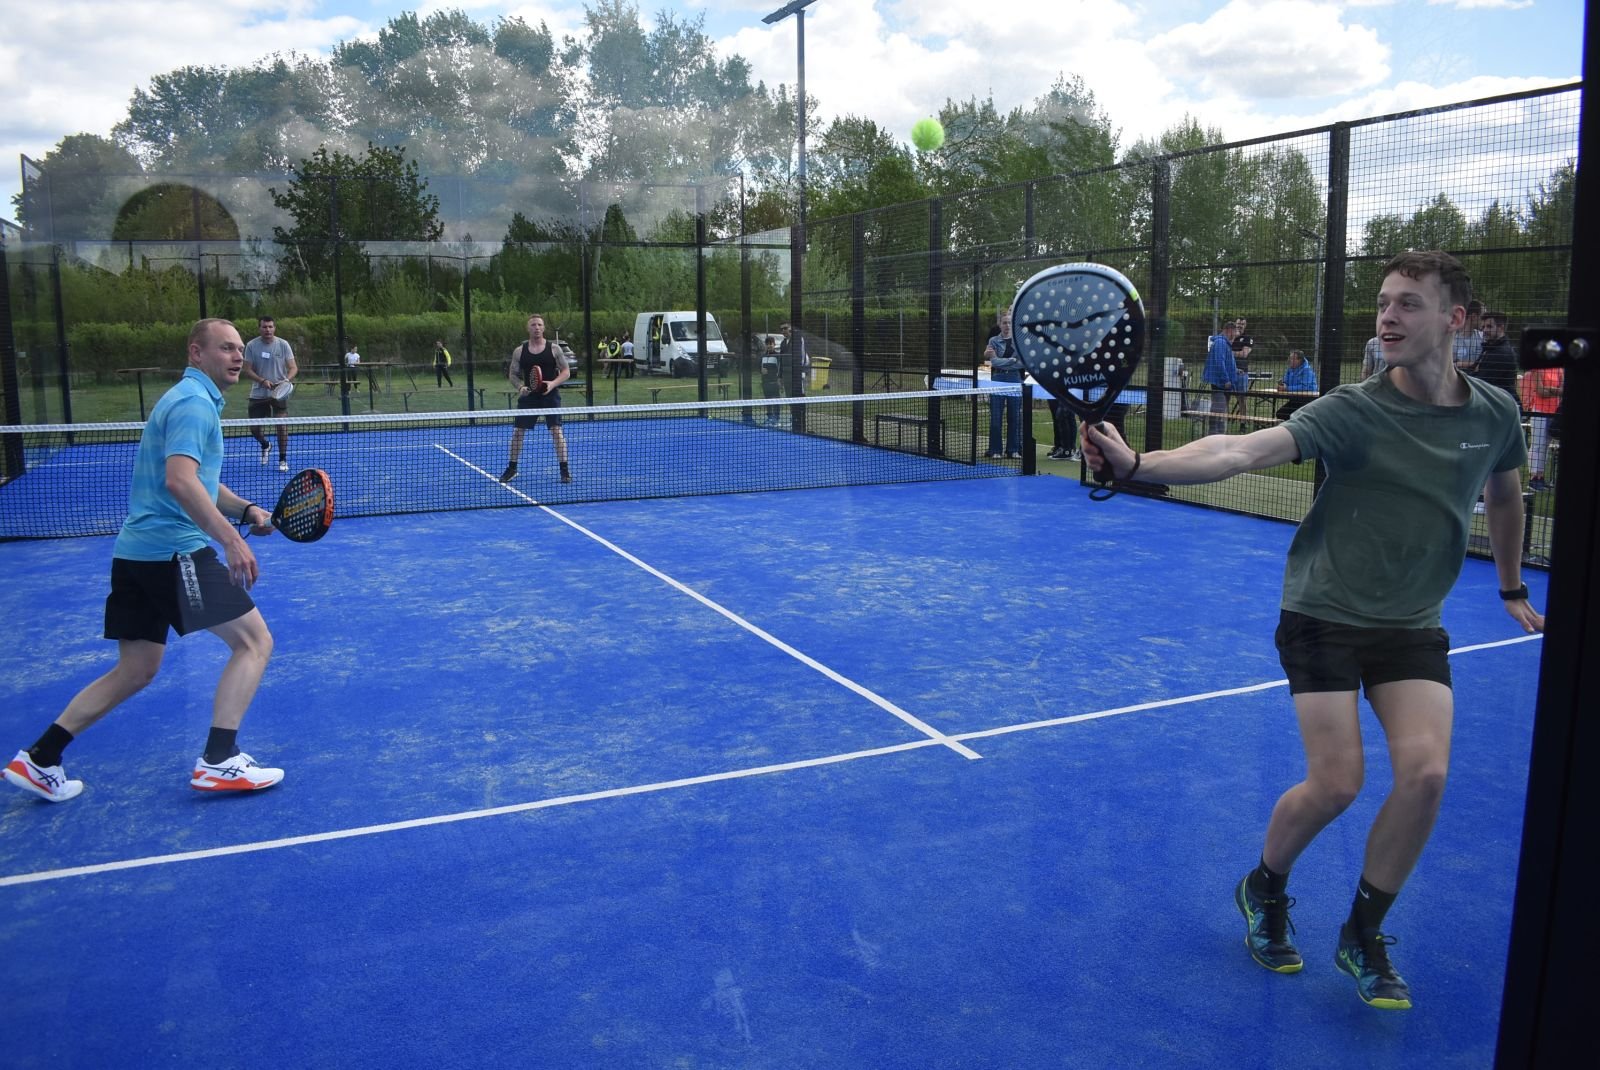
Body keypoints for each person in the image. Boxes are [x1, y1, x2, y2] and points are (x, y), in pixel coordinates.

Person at [1081, 250, 1543, 1011]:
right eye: (1384, 302)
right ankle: (1265, 886)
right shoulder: (1353, 408)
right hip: (1323, 612)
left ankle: (1363, 931)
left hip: (1411, 621)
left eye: (1408, 304)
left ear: (1454, 319)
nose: (1388, 317)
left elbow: (1504, 496)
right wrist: (1137, 464)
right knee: (1337, 784)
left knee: (1426, 775)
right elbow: (1237, 449)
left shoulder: (1493, 412)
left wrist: (1512, 585)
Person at [4, 319, 286, 803]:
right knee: (254, 642)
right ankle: (220, 759)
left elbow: (199, 480)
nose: (238, 356)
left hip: (135, 553)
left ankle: (41, 758)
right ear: (196, 353)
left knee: (136, 669)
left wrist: (246, 510)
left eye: (240, 348)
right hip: (172, 550)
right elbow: (180, 481)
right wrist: (230, 540)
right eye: (225, 348)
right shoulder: (195, 404)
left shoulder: (188, 398)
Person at [500, 313, 571, 484]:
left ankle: (564, 471)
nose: (536, 327)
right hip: (529, 397)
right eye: (533, 325)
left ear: (544, 328)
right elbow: (513, 374)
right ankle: (512, 468)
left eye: (539, 324)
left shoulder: (554, 349)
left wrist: (552, 384)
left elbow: (566, 371)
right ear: (528, 328)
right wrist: (520, 387)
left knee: (556, 431)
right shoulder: (520, 351)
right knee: (518, 432)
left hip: (550, 396)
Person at [243, 315, 296, 473]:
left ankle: (282, 459)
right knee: (254, 429)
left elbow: (293, 367)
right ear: (259, 328)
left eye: (270, 326)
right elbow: (247, 369)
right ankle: (265, 445)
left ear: (274, 328)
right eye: (264, 327)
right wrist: (262, 380)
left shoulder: (283, 344)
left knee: (281, 425)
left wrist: (286, 380)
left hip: (279, 394)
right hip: (258, 393)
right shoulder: (251, 345)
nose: (268, 330)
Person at [983, 308, 1024, 459]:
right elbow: (993, 362)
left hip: (1014, 380)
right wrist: (1011, 360)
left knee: (1015, 417)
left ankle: (1013, 450)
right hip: (997, 379)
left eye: (1009, 323)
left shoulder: (1020, 341)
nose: (1007, 325)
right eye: (1004, 323)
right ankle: (995, 450)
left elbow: (1021, 364)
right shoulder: (993, 341)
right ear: (1000, 325)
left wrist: (1003, 361)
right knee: (996, 417)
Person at [1520, 364, 1563, 490]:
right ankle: (1533, 478)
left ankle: (1541, 476)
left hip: (1554, 411)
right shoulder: (1537, 368)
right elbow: (1540, 391)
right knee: (1537, 444)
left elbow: (1563, 390)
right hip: (1539, 410)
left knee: (1545, 445)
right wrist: (1555, 391)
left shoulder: (1558, 369)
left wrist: (1549, 389)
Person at [1201, 320, 1243, 434]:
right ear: (1229, 331)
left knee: (1222, 410)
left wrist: (1235, 371)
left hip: (1225, 382)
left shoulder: (1225, 344)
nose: (1234, 337)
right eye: (1234, 334)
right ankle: (1214, 434)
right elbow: (1219, 362)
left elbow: (1227, 362)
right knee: (1218, 408)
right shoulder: (1220, 343)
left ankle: (1220, 434)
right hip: (1220, 382)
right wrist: (1226, 380)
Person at [1472, 311, 1518, 398]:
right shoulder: (1490, 348)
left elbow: (1481, 382)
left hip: (1502, 403)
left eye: (1489, 326)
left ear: (1501, 328)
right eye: (1483, 327)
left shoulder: (1501, 352)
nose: (1484, 330)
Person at [1274, 349, 1318, 421]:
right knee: (1280, 414)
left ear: (1300, 360)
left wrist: (1287, 388)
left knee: (1291, 415)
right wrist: (1282, 385)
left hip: (1307, 400)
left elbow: (1304, 387)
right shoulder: (1290, 369)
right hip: (1295, 399)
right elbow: (1285, 381)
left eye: (1293, 359)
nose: (1290, 360)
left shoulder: (1307, 370)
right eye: (1290, 358)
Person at [1452, 300, 1484, 372]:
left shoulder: (1482, 337)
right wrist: (1472, 364)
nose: (1484, 321)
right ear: (1473, 317)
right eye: (1482, 317)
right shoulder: (1453, 340)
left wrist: (1460, 364)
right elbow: (1450, 365)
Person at [780, 322, 809, 396]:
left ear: (790, 328)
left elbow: (803, 355)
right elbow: (781, 359)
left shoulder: (798, 339)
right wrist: (780, 375)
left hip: (796, 372)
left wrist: (802, 370)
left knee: (799, 393)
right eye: (782, 329)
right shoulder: (783, 343)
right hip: (786, 373)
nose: (783, 331)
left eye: (785, 328)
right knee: (788, 394)